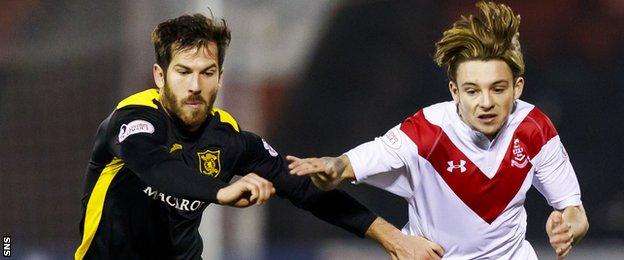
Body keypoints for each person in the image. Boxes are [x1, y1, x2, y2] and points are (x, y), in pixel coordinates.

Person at [74, 13, 424, 260]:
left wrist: (391, 237)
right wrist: (220, 191)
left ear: (220, 78)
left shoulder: (229, 139)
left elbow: (305, 190)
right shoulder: (134, 120)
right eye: (183, 72)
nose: (195, 86)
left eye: (207, 73)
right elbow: (156, 167)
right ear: (160, 75)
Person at [288, 1, 589, 259]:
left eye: (497, 89)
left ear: (517, 88)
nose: (486, 103)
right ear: (455, 91)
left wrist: (567, 229)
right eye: (473, 91)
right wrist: (334, 167)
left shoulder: (535, 128)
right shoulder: (426, 131)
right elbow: (357, 162)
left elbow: (574, 212)